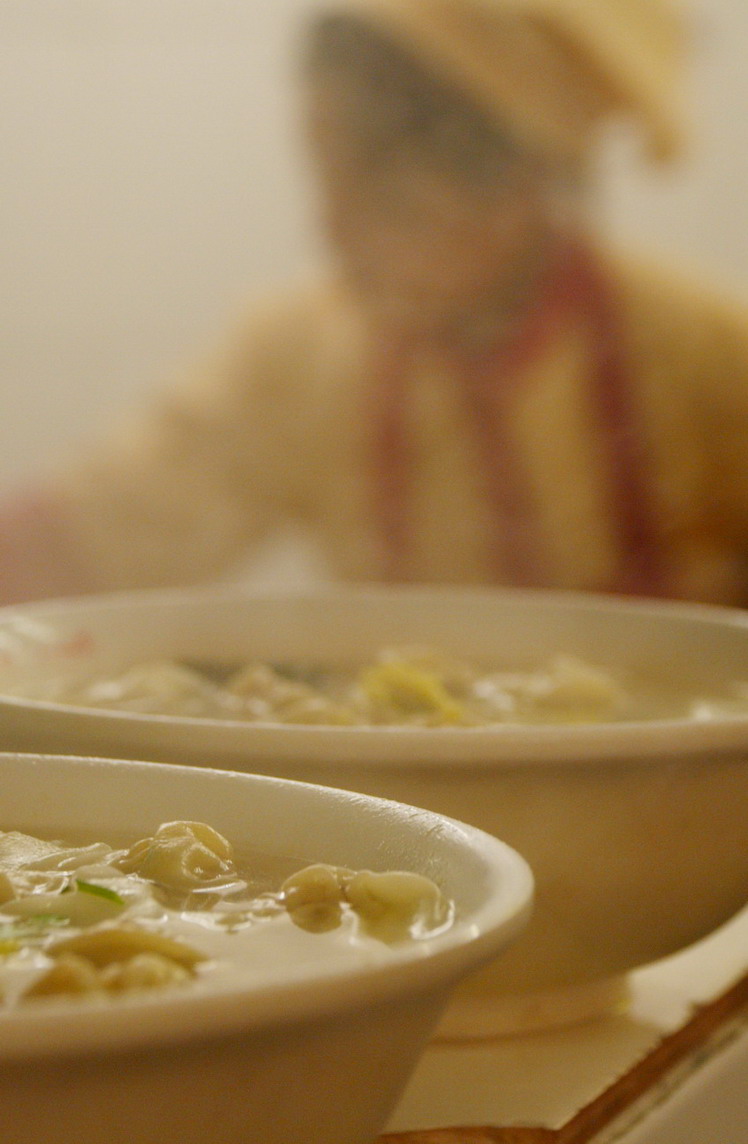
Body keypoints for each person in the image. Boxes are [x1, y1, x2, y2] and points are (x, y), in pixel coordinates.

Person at [2, 0, 748, 607]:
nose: (332, 233)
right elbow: (87, 538)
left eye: (383, 198)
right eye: (325, 182)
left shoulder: (704, 351)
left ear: (518, 190)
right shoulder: (300, 355)